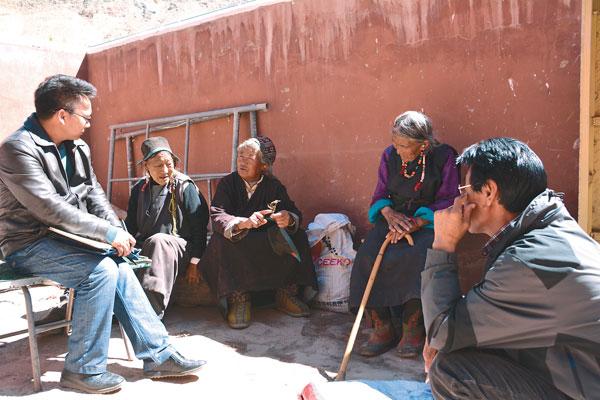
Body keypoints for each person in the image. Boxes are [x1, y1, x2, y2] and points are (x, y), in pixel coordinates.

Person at [0, 75, 205, 394]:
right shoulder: (17, 149)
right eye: (85, 116)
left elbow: (95, 195)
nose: (88, 123)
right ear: (62, 115)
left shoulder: (77, 147)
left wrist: (118, 232)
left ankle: (158, 355)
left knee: (119, 265)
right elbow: (49, 208)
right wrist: (107, 232)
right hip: (27, 244)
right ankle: (83, 369)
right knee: (99, 271)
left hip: (66, 239)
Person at [422, 138, 600, 399]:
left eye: (465, 189)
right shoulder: (553, 233)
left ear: (489, 192)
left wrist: (443, 244)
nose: (460, 199)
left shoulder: (527, 260)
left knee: (451, 369)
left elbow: (441, 332)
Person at [349, 111, 459, 358]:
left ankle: (413, 328)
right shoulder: (389, 155)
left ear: (424, 145)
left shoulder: (445, 157)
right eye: (395, 144)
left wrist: (419, 221)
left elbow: (450, 199)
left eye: (404, 146)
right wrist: (388, 214)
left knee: (419, 256)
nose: (397, 150)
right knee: (367, 254)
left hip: (429, 222)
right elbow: (380, 195)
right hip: (394, 219)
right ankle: (383, 327)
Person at [200, 136, 317, 329]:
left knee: (298, 235)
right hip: (239, 237)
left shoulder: (274, 187)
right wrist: (243, 223)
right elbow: (218, 214)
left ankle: (285, 293)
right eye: (240, 155)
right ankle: (239, 298)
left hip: (265, 239)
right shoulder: (228, 183)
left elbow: (293, 211)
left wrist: (288, 217)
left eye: (249, 157)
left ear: (263, 165)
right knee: (221, 242)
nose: (242, 161)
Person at [125, 136, 209, 318]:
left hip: (179, 248)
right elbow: (130, 226)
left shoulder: (184, 187)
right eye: (158, 165)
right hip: (148, 246)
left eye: (169, 164)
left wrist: (194, 262)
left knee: (159, 241)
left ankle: (151, 315)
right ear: (146, 167)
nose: (165, 170)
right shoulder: (139, 189)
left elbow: (200, 227)